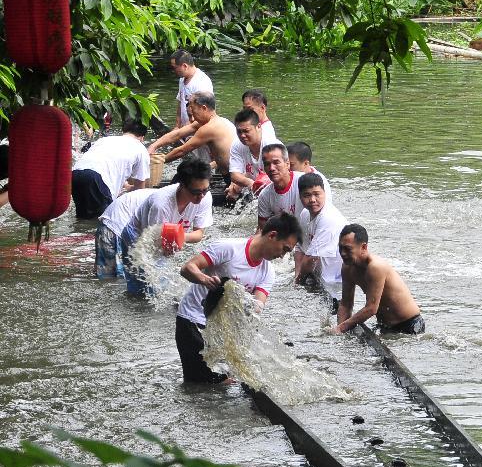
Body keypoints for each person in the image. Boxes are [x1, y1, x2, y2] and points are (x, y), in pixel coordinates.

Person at [176, 212, 302, 383]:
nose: (283, 256)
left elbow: (257, 307)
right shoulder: (228, 248)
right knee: (201, 385)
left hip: (222, 331)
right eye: (285, 249)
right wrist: (205, 280)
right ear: (272, 235)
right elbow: (187, 268)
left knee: (227, 381)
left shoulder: (268, 272)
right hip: (192, 321)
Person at [121, 158, 213, 295]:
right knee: (142, 285)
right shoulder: (161, 204)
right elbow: (153, 243)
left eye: (205, 190)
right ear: (182, 185)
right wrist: (174, 239)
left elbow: (198, 234)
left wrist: (179, 235)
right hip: (138, 235)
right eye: (195, 192)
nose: (201, 196)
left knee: (159, 285)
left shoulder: (205, 197)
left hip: (167, 236)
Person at [333, 224, 425, 335]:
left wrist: (341, 328)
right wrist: (339, 332)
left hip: (409, 324)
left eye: (347, 249)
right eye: (340, 248)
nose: (342, 253)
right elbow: (346, 304)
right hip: (385, 325)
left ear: (363, 247)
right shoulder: (347, 267)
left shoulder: (375, 267)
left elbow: (371, 308)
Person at [71, 118, 150, 219]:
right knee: (102, 222)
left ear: (124, 131)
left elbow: (104, 164)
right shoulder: (141, 149)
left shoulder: (105, 140)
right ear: (142, 137)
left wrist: (124, 185)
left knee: (82, 219)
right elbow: (139, 190)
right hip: (96, 179)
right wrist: (130, 189)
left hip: (76, 175)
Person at [147, 93, 236, 174]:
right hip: (228, 171)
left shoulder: (210, 128)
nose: (192, 115)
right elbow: (177, 134)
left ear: (204, 108)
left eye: (193, 109)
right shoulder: (218, 121)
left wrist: (156, 162)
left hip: (234, 175)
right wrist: (154, 146)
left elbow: (181, 151)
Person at [295, 173, 347, 300]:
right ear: (300, 197)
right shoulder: (305, 214)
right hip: (319, 277)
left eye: (317, 194)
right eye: (307, 195)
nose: (312, 200)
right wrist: (297, 277)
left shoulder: (329, 218)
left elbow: (311, 258)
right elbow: (300, 248)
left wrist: (298, 282)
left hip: (337, 281)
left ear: (325, 193)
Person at [95, 188, 154, 279]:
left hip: (105, 226)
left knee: (106, 278)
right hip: (118, 230)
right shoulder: (162, 202)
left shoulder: (155, 194)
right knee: (121, 280)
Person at [225, 108, 274, 201]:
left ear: (258, 127)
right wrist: (250, 184)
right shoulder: (237, 144)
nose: (242, 135)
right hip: (254, 184)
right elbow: (234, 175)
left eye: (246, 131)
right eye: (239, 132)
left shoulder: (270, 145)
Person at [256, 143, 304, 228]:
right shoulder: (264, 195)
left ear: (287, 164)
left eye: (276, 162)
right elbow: (263, 230)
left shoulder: (304, 182)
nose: (271, 168)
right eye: (267, 164)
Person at [171, 49, 213, 127]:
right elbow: (180, 103)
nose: (173, 71)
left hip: (197, 129)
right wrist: (177, 126)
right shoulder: (182, 79)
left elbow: (204, 113)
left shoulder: (202, 82)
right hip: (185, 128)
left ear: (185, 66)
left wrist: (184, 131)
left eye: (174, 68)